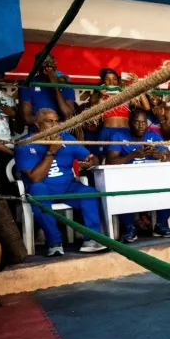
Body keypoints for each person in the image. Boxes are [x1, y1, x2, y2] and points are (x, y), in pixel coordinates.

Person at [14, 109, 107, 256]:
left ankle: (92, 239)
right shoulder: (24, 144)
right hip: (43, 188)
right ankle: (54, 242)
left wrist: (90, 162)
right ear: (38, 125)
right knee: (37, 189)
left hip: (68, 187)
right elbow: (35, 178)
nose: (55, 125)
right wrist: (51, 151)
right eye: (49, 121)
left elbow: (93, 158)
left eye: (57, 121)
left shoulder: (66, 138)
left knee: (90, 192)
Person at [106, 109, 170, 242]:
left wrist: (160, 155)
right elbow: (110, 161)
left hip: (151, 179)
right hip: (127, 180)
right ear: (129, 122)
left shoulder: (154, 136)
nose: (140, 126)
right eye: (137, 122)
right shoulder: (119, 136)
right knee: (120, 190)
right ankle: (129, 228)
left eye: (143, 123)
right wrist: (133, 155)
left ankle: (161, 225)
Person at [19, 53, 76, 128]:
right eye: (45, 62)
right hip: (36, 132)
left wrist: (56, 87)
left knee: (72, 140)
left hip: (61, 131)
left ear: (55, 65)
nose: (49, 65)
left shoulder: (66, 86)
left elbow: (68, 116)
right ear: (37, 65)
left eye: (51, 62)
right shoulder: (28, 84)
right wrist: (48, 120)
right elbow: (27, 119)